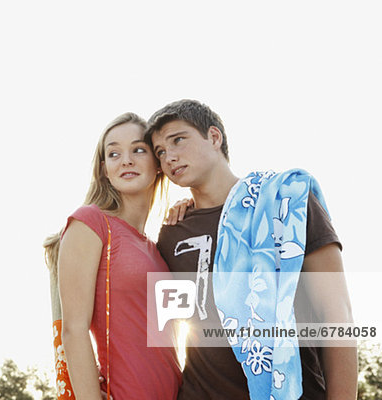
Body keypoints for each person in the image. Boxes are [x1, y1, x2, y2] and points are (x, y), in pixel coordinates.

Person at [145, 99, 357, 400]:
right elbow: (165, 332)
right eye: (161, 153)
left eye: (178, 140)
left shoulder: (287, 203)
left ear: (214, 137)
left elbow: (336, 315)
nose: (169, 158)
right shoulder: (171, 234)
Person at [44, 112, 182, 400]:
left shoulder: (157, 250)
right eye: (114, 153)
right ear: (105, 169)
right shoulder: (90, 223)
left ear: (157, 163)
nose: (126, 160)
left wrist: (192, 211)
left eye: (138, 149)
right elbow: (74, 330)